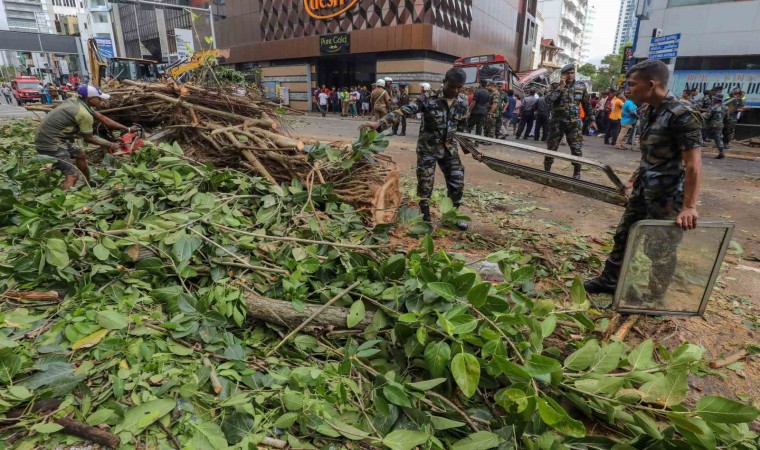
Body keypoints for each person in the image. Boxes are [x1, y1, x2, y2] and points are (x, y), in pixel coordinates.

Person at [584, 60, 703, 305]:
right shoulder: (649, 109)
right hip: (643, 189)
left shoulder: (682, 114)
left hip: (668, 197)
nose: (628, 90)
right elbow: (650, 155)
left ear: (651, 84)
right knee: (624, 234)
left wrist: (689, 206)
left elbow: (693, 164)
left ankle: (656, 297)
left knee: (659, 248)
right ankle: (610, 280)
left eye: (631, 85)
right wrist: (633, 179)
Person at [360, 68, 470, 231]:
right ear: (444, 81)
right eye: (452, 86)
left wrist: (472, 150)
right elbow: (404, 111)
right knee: (425, 185)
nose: (455, 90)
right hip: (428, 149)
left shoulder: (463, 102)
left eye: (459, 87)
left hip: (449, 150)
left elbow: (462, 129)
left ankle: (452, 216)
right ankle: (425, 218)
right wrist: (380, 124)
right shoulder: (428, 98)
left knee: (457, 183)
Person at [35, 85, 138, 190]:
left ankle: (88, 182)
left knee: (80, 154)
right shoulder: (84, 114)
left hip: (53, 137)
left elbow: (103, 118)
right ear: (90, 99)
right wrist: (111, 144)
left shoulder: (77, 99)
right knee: (73, 175)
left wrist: (128, 129)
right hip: (50, 142)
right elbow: (89, 138)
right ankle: (64, 202)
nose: (101, 100)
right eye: (99, 98)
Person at [544, 64, 596, 179]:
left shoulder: (581, 86)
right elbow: (548, 100)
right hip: (557, 122)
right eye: (568, 73)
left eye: (572, 73)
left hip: (574, 123)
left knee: (576, 148)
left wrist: (592, 119)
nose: (570, 75)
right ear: (563, 75)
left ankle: (576, 173)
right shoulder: (554, 86)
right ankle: (546, 171)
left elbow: (586, 104)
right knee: (552, 147)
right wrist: (560, 88)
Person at [703, 95, 727, 159]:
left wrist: (702, 114)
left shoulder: (713, 107)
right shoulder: (725, 107)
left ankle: (695, 152)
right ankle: (721, 152)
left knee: (701, 135)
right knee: (718, 138)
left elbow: (707, 116)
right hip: (720, 125)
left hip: (711, 125)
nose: (713, 100)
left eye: (714, 99)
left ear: (716, 100)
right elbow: (727, 117)